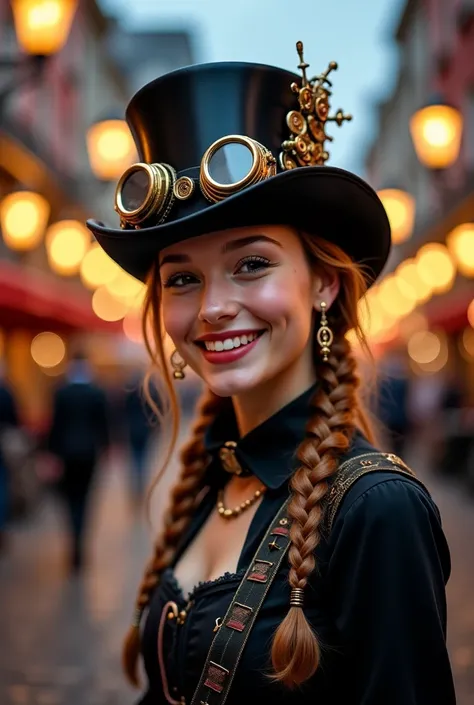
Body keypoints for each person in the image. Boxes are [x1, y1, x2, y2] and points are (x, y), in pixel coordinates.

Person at [87, 42, 456, 704]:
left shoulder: (378, 511)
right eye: (182, 278)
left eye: (251, 263)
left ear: (322, 283)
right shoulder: (217, 474)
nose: (212, 307)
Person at [48, 351, 110, 571]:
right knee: (84, 500)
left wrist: (52, 453)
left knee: (70, 500)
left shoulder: (61, 391)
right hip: (89, 453)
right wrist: (106, 448)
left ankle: (73, 540)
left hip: (66, 453)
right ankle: (79, 542)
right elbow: (104, 424)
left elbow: (54, 425)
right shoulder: (96, 392)